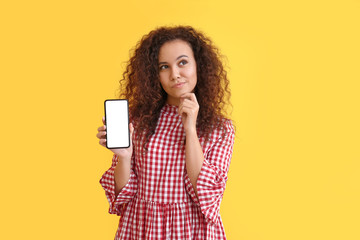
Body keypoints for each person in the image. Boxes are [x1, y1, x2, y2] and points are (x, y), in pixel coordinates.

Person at [96, 25, 235, 240]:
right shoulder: (137, 120)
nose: (175, 75)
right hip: (140, 227)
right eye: (164, 67)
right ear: (154, 74)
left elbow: (206, 195)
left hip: (191, 230)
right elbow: (122, 198)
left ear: (199, 65)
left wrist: (190, 129)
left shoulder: (221, 129)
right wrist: (123, 157)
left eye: (182, 63)